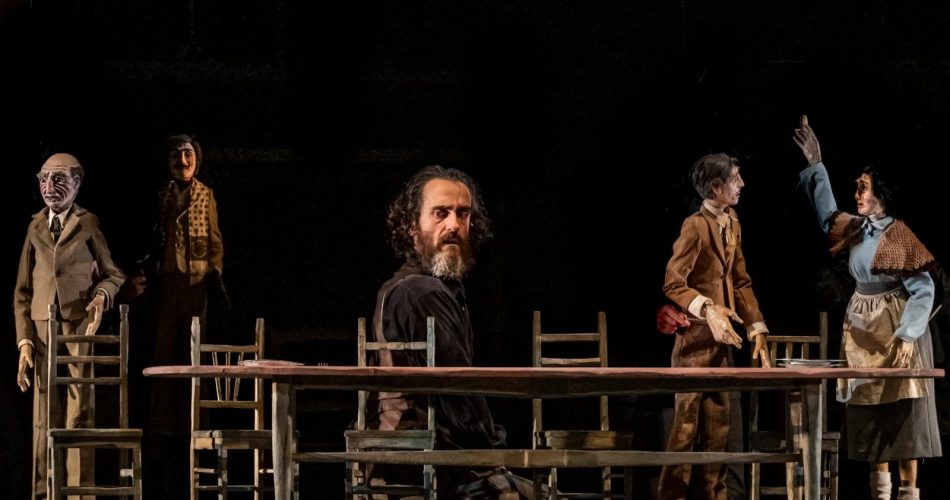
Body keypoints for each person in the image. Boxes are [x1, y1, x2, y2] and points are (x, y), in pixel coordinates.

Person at [794, 115, 941, 500]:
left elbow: (923, 288)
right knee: (871, 416)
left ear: (881, 194)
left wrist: (907, 334)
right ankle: (879, 493)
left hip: (896, 329)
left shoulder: (897, 233)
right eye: (857, 187)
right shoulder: (858, 229)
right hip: (862, 328)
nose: (857, 194)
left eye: (864, 188)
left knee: (902, 419)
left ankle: (908, 493)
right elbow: (828, 214)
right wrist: (816, 164)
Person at [373, 165, 536, 498]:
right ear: (411, 227)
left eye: (463, 214)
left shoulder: (429, 289)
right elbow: (456, 389)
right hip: (426, 464)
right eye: (440, 213)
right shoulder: (421, 292)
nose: (453, 225)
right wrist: (492, 448)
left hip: (432, 457)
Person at [659, 152, 771, 500]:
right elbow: (673, 282)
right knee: (684, 429)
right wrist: (707, 308)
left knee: (720, 429)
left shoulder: (732, 222)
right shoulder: (695, 225)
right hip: (694, 344)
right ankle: (672, 495)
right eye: (735, 179)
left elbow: (740, 281)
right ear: (716, 187)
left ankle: (715, 495)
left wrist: (756, 326)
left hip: (724, 345)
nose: (742, 184)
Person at [14, 152, 126, 499]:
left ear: (77, 183)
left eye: (59, 179)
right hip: (42, 329)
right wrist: (24, 342)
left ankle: (80, 493)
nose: (50, 186)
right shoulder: (35, 226)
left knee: (79, 412)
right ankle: (44, 492)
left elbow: (113, 275)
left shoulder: (87, 222)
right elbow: (22, 292)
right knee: (44, 414)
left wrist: (100, 297)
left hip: (78, 326)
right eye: (44, 179)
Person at [145, 134, 224, 495]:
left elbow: (215, 239)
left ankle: (196, 420)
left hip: (195, 282)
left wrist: (214, 272)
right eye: (176, 154)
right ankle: (163, 425)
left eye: (188, 153)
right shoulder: (162, 193)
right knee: (164, 354)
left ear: (197, 158)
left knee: (194, 353)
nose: (182, 159)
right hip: (167, 281)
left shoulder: (205, 194)